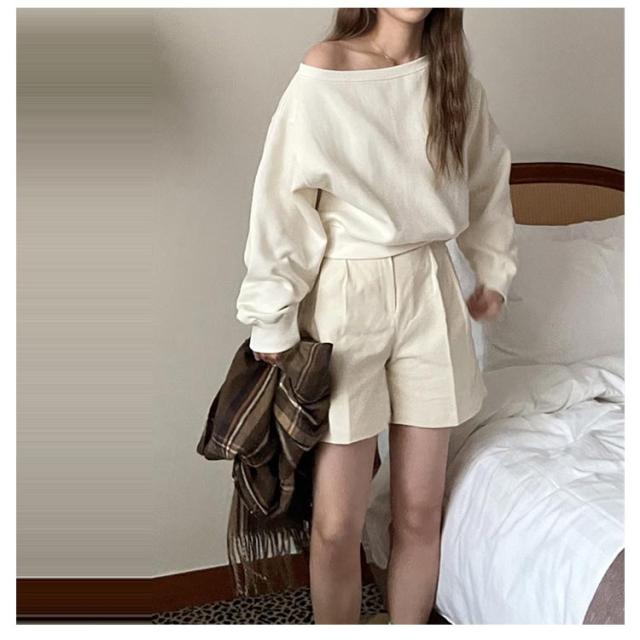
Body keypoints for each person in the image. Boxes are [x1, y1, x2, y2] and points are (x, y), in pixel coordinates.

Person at [234, 8, 517, 625]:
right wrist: (271, 315)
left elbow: (487, 183)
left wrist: (492, 271)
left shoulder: (452, 77)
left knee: (420, 511)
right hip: (346, 295)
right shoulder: (327, 67)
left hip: (429, 289)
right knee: (338, 523)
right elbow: (283, 200)